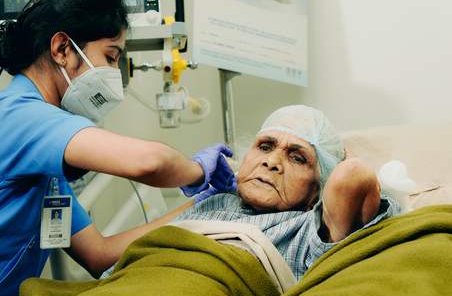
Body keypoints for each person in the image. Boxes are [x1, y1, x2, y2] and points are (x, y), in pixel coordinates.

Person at [0, 0, 235, 296]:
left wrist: (202, 205)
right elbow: (149, 161)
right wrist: (200, 171)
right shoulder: (18, 117)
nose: (115, 73)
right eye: (111, 57)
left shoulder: (41, 158)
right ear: (62, 49)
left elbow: (98, 255)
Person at [171, 105, 401, 280]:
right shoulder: (216, 199)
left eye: (297, 158)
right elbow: (147, 238)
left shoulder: (305, 231)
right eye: (265, 147)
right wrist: (193, 173)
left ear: (317, 190)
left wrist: (336, 161)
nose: (271, 162)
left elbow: (353, 175)